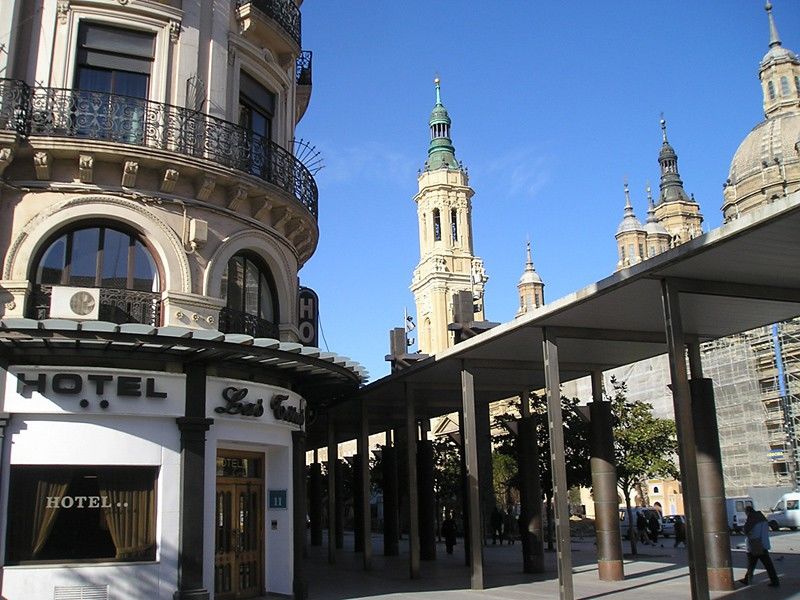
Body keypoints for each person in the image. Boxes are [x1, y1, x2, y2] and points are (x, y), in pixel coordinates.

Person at [739, 506, 779, 587]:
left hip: (755, 546)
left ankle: (747, 580)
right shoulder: (762, 518)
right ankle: (775, 581)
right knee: (767, 565)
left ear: (748, 512)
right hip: (764, 545)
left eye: (746, 513)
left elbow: (749, 532)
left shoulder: (752, 520)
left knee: (752, 564)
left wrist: (747, 532)